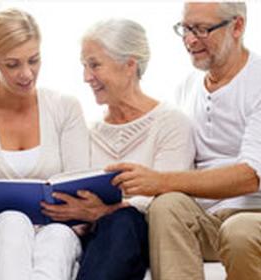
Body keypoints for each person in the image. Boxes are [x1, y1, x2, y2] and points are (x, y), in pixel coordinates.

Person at [107, 2, 261, 280]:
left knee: (238, 231)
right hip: (207, 219)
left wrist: (160, 181)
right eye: (186, 29)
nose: (190, 40)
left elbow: (250, 176)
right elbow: (176, 164)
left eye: (201, 30)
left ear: (237, 27)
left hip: (253, 215)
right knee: (166, 206)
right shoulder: (187, 88)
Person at [41, 19, 195, 280]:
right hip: (91, 235)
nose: (86, 77)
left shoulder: (171, 122)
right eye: (84, 66)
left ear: (129, 65)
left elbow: (164, 199)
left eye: (95, 65)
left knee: (123, 220)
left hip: (139, 234)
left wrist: (104, 211)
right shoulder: (87, 130)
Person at [0, 8, 89, 280]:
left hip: (57, 226)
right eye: (13, 64)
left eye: (34, 60)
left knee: (56, 237)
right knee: (13, 222)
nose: (27, 74)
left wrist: (76, 214)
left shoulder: (64, 108)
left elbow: (79, 182)